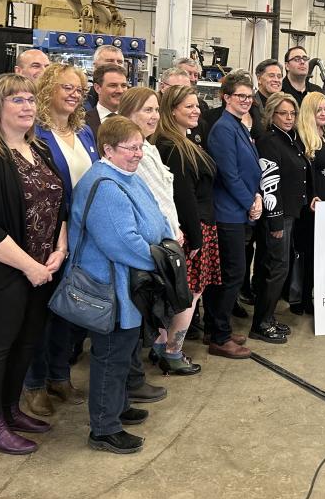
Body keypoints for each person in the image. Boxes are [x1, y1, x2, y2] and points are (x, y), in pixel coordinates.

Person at [0, 73, 67, 455]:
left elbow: (60, 205)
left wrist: (60, 249)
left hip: (41, 270)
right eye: (16, 100)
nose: (27, 106)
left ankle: (9, 410)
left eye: (30, 99)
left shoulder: (40, 151)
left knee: (25, 345)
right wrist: (29, 266)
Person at [68, 117, 172, 453]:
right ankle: (103, 427)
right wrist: (162, 258)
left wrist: (162, 241)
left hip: (127, 285)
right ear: (108, 149)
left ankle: (118, 406)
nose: (139, 154)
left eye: (141, 146)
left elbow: (155, 219)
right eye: (131, 148)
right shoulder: (106, 186)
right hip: (109, 288)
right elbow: (122, 243)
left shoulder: (124, 176)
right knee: (111, 355)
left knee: (125, 351)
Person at [21, 63, 97, 417]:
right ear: (48, 88)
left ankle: (59, 376)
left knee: (69, 310)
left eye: (79, 89)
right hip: (47, 236)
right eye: (66, 87)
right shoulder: (35, 134)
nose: (73, 94)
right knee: (41, 312)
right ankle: (34, 384)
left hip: (81, 234)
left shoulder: (84, 133)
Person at [118, 87, 201, 378]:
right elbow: (151, 200)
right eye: (147, 110)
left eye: (156, 110)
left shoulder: (149, 147)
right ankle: (160, 356)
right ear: (128, 113)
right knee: (160, 301)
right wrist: (172, 231)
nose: (154, 116)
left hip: (168, 236)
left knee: (165, 301)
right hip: (151, 241)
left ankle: (158, 352)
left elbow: (165, 196)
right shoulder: (130, 151)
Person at [153, 84, 228, 370]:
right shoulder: (173, 146)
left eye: (197, 105)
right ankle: (173, 352)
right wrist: (196, 239)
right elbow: (182, 196)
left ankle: (163, 345)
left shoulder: (181, 141)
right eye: (189, 106)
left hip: (195, 225)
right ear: (172, 111)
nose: (196, 110)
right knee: (190, 293)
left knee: (180, 294)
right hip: (193, 228)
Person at [202, 71, 262, 359]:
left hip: (238, 209)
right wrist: (250, 201)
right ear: (226, 97)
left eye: (250, 97)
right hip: (228, 212)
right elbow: (229, 174)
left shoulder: (238, 125)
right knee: (232, 274)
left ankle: (217, 328)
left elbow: (249, 167)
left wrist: (257, 195)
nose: (246, 101)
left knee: (228, 273)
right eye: (241, 96)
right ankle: (220, 336)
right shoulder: (224, 129)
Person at [252, 92, 312, 343]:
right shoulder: (269, 141)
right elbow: (269, 185)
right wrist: (275, 221)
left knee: (279, 269)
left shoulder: (292, 140)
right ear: (272, 115)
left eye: (292, 113)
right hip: (278, 217)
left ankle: (268, 317)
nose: (289, 118)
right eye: (283, 113)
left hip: (291, 214)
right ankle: (261, 323)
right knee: (275, 269)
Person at [291, 91, 325, 315]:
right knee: (307, 252)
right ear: (309, 112)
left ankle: (315, 294)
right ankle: (301, 299)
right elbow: (301, 174)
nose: (323, 113)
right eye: (318, 109)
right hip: (310, 205)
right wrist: (311, 197)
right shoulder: (302, 138)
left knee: (323, 253)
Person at [0, 48, 49, 141]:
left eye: (47, 67)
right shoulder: (0, 106)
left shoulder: (52, 104)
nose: (44, 71)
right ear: (18, 70)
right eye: (36, 66)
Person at [85, 64, 128, 137]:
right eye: (113, 85)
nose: (120, 91)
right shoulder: (82, 123)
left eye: (123, 85)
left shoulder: (134, 119)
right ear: (97, 88)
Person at [82, 45, 127, 113]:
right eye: (110, 61)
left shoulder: (133, 102)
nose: (116, 65)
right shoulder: (83, 104)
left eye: (119, 62)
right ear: (95, 66)